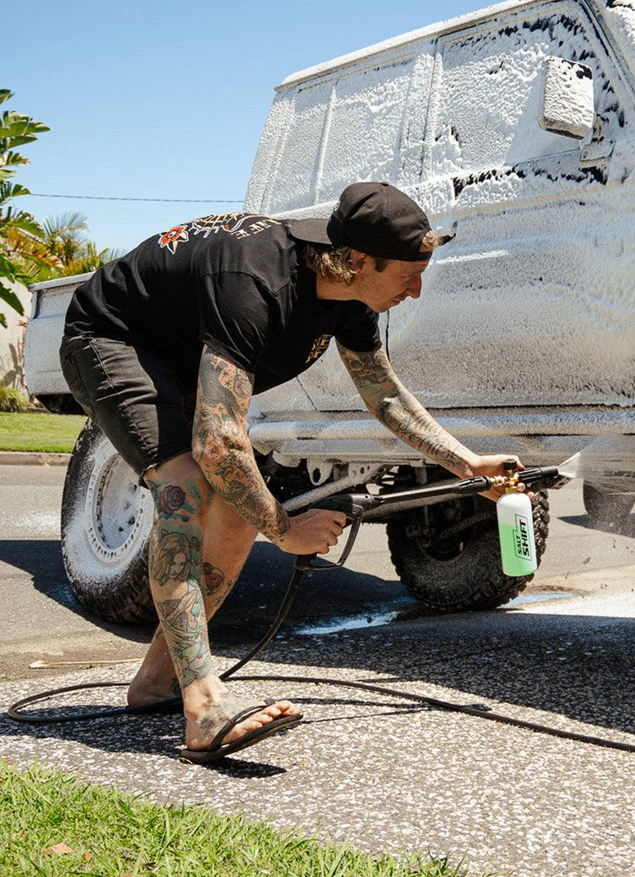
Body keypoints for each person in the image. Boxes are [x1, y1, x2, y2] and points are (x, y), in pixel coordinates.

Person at [60, 181, 521, 763]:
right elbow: (218, 443)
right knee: (189, 490)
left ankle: (156, 683)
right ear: (357, 261)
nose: (417, 289)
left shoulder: (350, 295)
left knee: (236, 501)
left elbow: (383, 394)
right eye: (408, 273)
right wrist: (286, 530)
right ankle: (203, 706)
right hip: (111, 338)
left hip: (183, 352)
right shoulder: (256, 283)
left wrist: (466, 461)